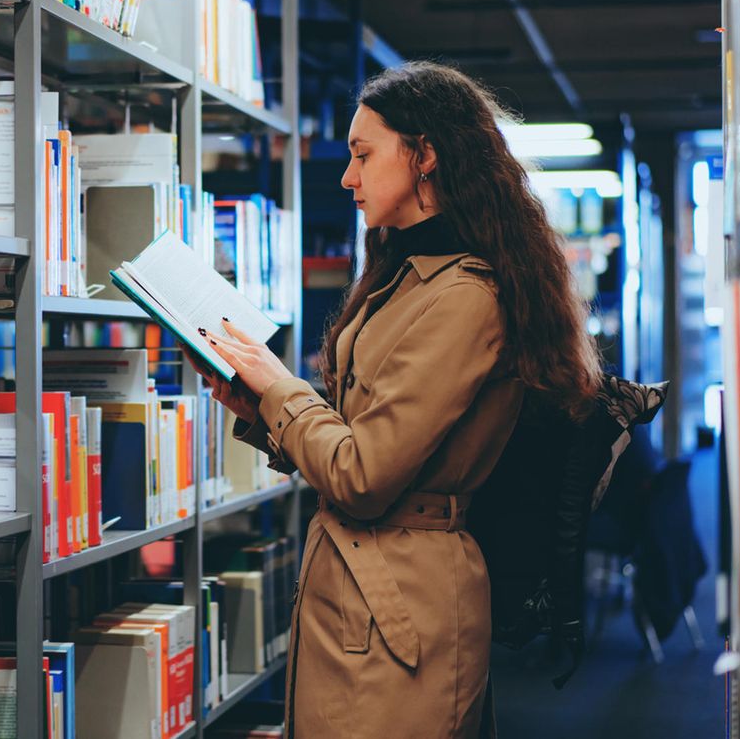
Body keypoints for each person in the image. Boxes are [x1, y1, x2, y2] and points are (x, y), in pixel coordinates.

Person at [197, 61, 602, 738]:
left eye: (362, 154)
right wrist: (261, 410)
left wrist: (280, 388)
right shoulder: (406, 278)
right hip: (368, 587)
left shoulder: (465, 298)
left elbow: (363, 474)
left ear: (426, 156)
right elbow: (358, 437)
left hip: (400, 600)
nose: (347, 176)